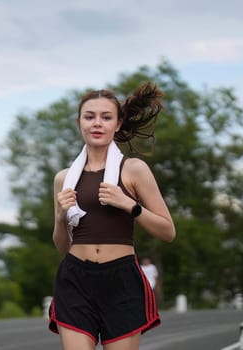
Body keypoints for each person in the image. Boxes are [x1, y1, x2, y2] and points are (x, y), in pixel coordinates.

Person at [48, 83, 176, 350]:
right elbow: (62, 245)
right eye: (89, 116)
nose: (97, 123)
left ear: (117, 124)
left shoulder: (134, 170)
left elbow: (168, 231)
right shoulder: (64, 179)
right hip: (75, 279)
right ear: (79, 122)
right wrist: (61, 217)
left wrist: (130, 205)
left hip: (121, 281)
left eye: (106, 117)